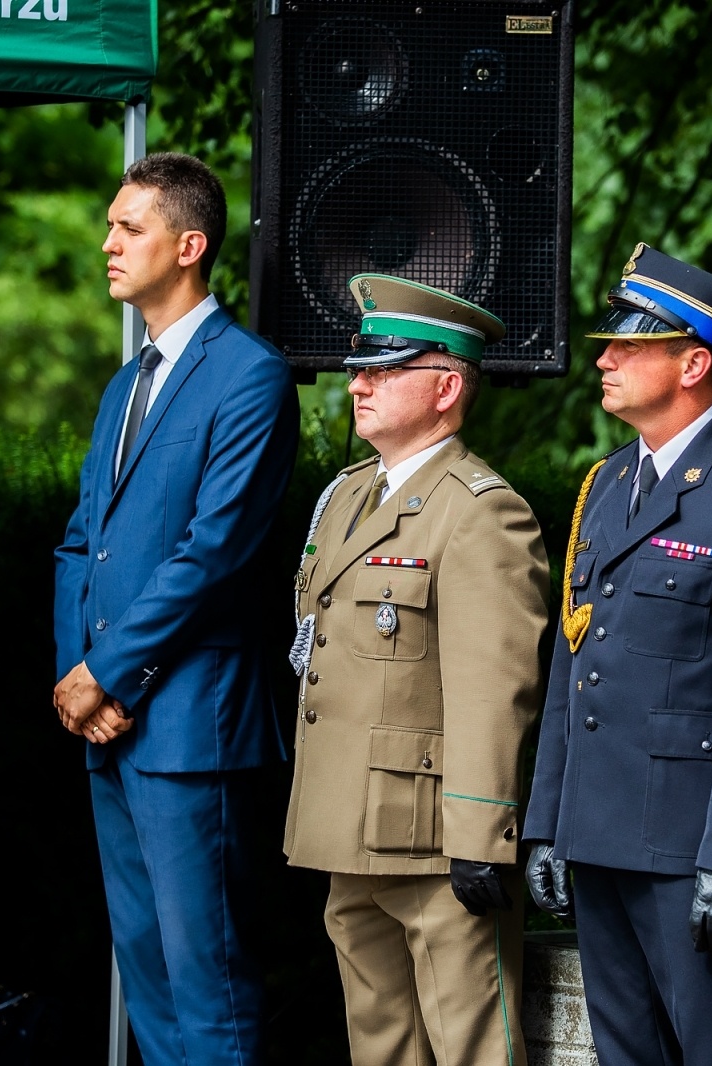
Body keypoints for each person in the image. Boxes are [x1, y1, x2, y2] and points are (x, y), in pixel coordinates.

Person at [523, 245, 712, 1066]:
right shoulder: (606, 484)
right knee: (626, 1053)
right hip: (599, 834)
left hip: (691, 849)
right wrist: (549, 823)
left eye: (630, 344)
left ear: (695, 361)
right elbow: (573, 666)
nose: (604, 358)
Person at [52, 152, 298, 1065]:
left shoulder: (251, 376)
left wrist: (108, 672)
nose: (108, 243)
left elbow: (215, 552)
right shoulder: (125, 384)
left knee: (209, 980)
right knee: (145, 970)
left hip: (193, 723)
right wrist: (75, 674)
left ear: (189, 245)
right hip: (106, 723)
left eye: (130, 227)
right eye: (111, 225)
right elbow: (80, 543)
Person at [284, 275, 549, 1066]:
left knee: (474, 1051)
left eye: (384, 367)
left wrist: (479, 836)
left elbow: (494, 689)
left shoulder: (481, 510)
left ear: (445, 387)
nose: (358, 380)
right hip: (350, 830)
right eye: (359, 365)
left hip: (435, 843)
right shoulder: (346, 496)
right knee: (380, 1051)